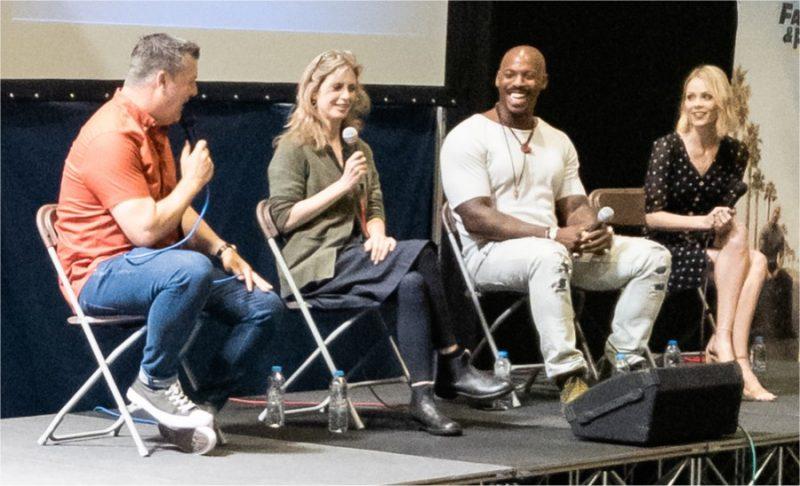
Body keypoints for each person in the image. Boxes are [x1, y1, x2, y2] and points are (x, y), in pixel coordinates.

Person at [55, 33, 287, 453]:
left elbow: (175, 211)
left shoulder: (154, 130)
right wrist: (192, 183)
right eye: (190, 81)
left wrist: (223, 250)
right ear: (162, 80)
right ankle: (155, 382)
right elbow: (144, 230)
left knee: (263, 306)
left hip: (156, 267)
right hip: (101, 275)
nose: (195, 91)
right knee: (189, 270)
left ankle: (201, 410)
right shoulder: (111, 136)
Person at [267, 50, 511, 437]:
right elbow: (283, 218)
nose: (346, 96)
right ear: (313, 92)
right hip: (314, 265)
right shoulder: (294, 147)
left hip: (353, 257)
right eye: (336, 87)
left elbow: (375, 205)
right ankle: (453, 362)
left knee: (412, 283)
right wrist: (341, 186)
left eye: (351, 88)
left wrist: (378, 232)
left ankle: (422, 399)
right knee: (424, 252)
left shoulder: (359, 149)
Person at [441, 45, 671, 405]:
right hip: (490, 254)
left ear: (543, 82)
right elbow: (475, 216)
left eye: (528, 76)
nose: (519, 83)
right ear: (498, 79)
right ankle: (569, 375)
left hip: (555, 250)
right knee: (549, 255)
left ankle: (622, 360)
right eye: (510, 75)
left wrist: (591, 230)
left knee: (654, 256)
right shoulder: (468, 135)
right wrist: (552, 234)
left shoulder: (557, 139)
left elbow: (575, 205)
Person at [643, 64, 775, 401]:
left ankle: (728, 345)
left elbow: (724, 209)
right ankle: (733, 356)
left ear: (721, 103)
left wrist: (720, 218)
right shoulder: (667, 147)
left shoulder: (735, 152)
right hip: (668, 247)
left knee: (758, 259)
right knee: (751, 257)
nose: (697, 105)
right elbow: (653, 217)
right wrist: (704, 221)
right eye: (691, 97)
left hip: (712, 248)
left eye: (706, 97)